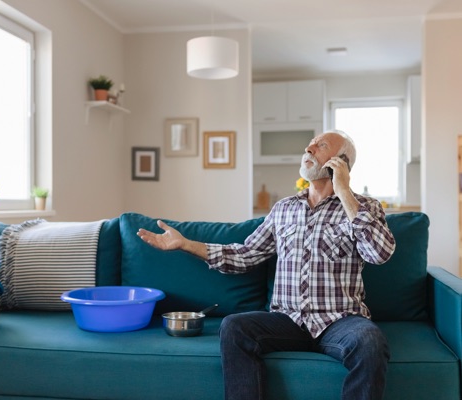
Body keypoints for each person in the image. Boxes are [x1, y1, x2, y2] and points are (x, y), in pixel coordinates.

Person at [137, 131, 396, 400]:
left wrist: (344, 192)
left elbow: (379, 254)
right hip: (287, 321)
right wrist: (185, 244)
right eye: (309, 143)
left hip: (340, 320)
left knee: (370, 341)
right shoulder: (283, 208)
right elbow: (245, 255)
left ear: (340, 162)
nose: (308, 148)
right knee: (234, 327)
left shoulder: (364, 207)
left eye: (321, 146)